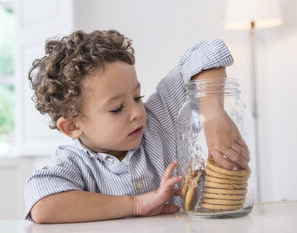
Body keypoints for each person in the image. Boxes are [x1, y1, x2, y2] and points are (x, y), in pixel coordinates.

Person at [24, 30, 250, 223]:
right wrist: (135, 205)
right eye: (116, 108)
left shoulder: (159, 116)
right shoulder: (73, 162)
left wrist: (213, 114)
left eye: (137, 96)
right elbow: (43, 206)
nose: (136, 112)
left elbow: (208, 52)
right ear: (73, 126)